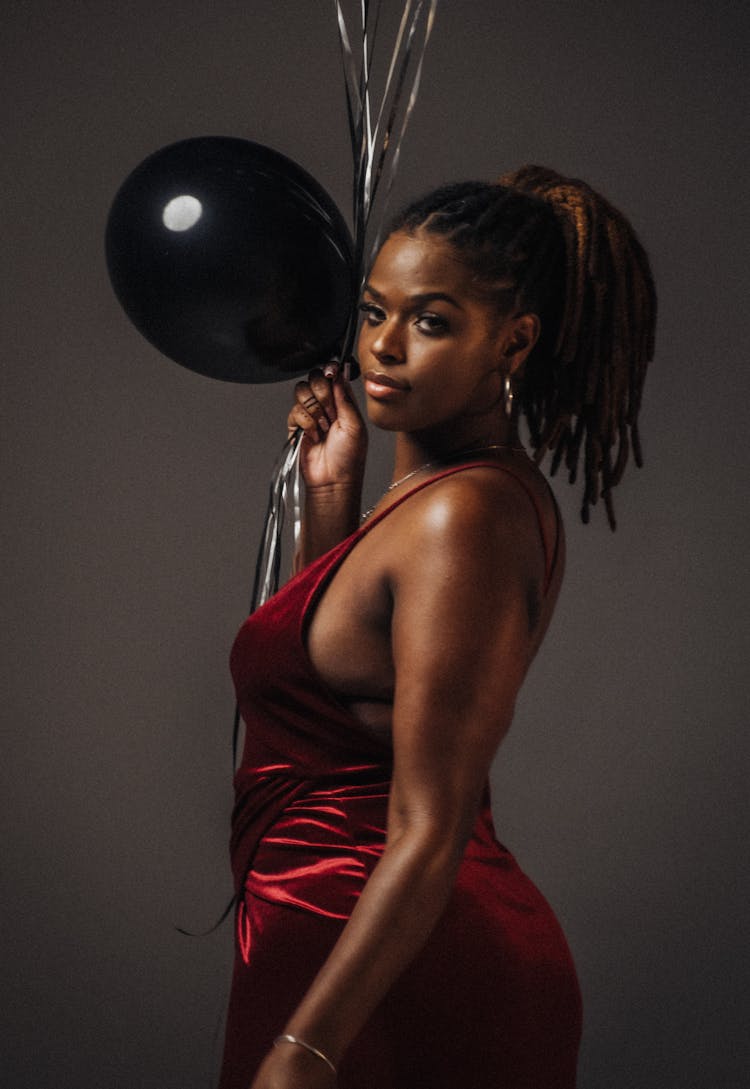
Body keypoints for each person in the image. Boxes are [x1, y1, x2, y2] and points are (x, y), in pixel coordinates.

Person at [219, 166, 656, 1089]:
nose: (382, 347)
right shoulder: (425, 504)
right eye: (374, 311)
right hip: (334, 948)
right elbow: (328, 706)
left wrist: (308, 1050)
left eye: (431, 320)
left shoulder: (468, 519)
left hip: (395, 981)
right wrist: (334, 491)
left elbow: (430, 820)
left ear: (514, 341)